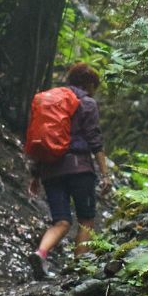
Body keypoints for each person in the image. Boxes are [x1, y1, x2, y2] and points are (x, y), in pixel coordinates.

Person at [26, 62, 108, 280]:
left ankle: (40, 252)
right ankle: (79, 270)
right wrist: (105, 174)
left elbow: (40, 138)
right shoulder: (87, 103)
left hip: (50, 170)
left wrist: (35, 175)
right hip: (79, 169)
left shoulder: (50, 100)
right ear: (89, 83)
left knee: (61, 221)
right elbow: (95, 141)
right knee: (86, 220)